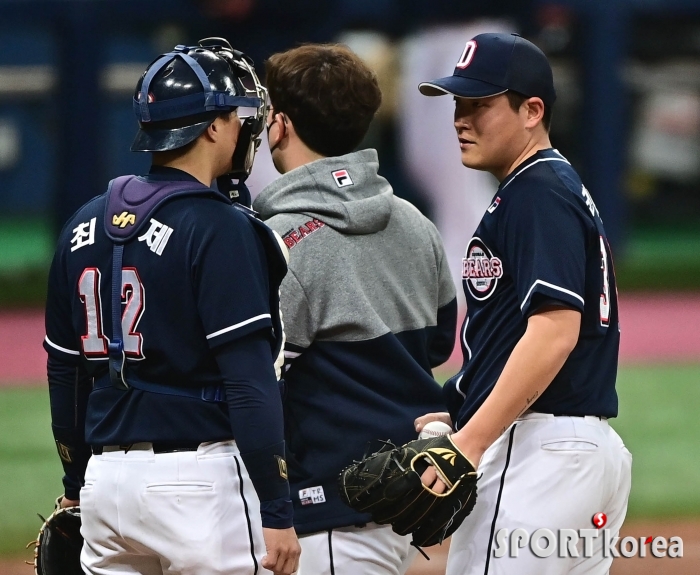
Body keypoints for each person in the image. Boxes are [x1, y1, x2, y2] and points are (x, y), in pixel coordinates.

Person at [43, 38, 300, 575]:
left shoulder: (80, 225)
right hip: (197, 487)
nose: (245, 127)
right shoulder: (220, 228)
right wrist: (277, 508)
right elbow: (249, 381)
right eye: (238, 117)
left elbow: (65, 374)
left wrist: (75, 488)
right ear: (212, 126)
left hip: (105, 489)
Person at [414, 32, 632, 574]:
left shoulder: (537, 191)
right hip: (574, 454)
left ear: (532, 110)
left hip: (536, 451)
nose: (461, 119)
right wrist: (459, 404)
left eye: (480, 105)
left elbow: (554, 332)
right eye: (457, 105)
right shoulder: (545, 187)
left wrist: (468, 442)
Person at [251, 44, 458, 575]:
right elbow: (438, 343)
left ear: (280, 125)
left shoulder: (279, 242)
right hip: (401, 495)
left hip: (321, 515)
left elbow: (256, 383)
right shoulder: (416, 222)